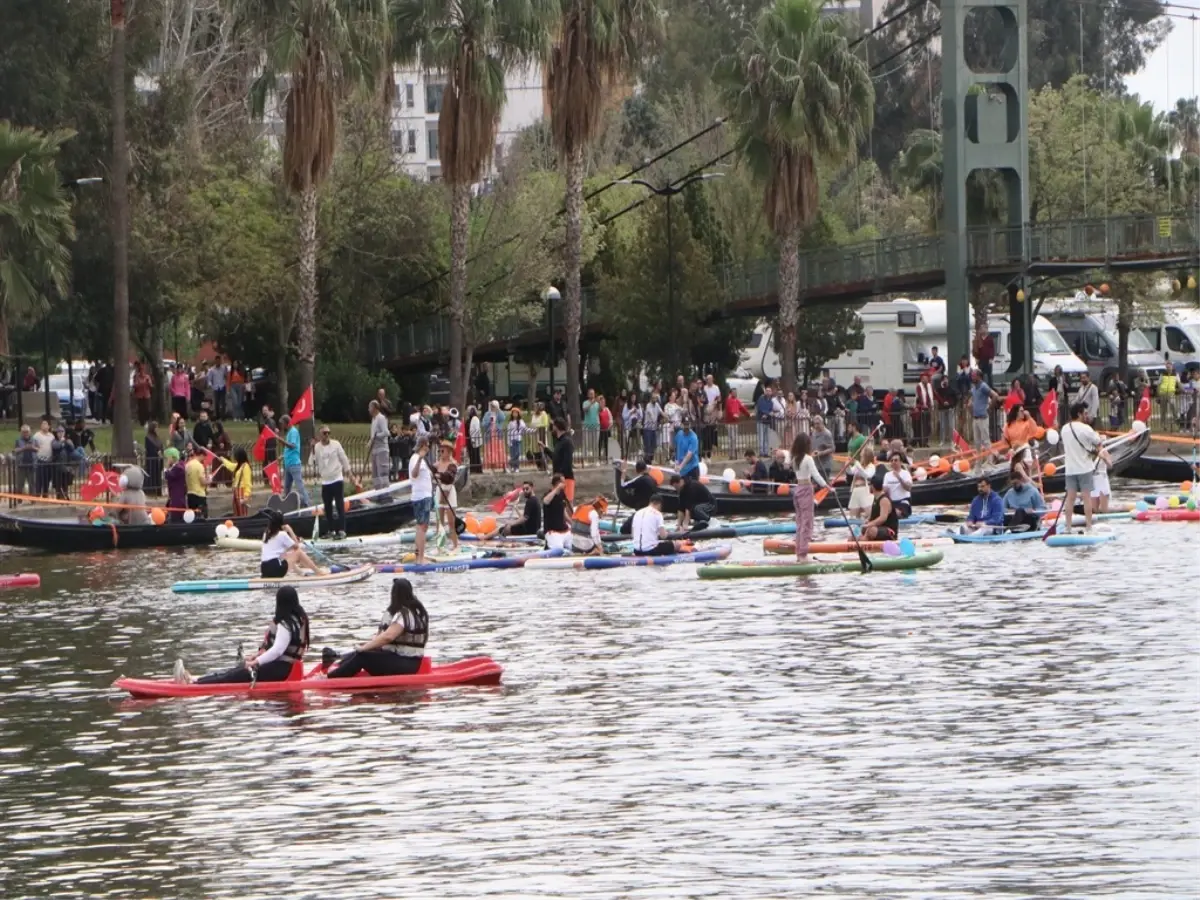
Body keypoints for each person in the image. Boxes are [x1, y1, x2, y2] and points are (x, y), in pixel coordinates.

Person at [173, 586, 310, 685]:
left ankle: (194, 684)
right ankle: (197, 680)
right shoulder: (298, 619)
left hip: (283, 669)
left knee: (241, 673)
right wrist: (256, 657)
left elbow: (277, 650)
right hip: (286, 667)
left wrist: (256, 662)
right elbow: (277, 651)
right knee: (239, 669)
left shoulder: (286, 624)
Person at [327, 578, 428, 678]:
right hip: (408, 662)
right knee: (360, 653)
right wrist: (366, 647)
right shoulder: (416, 612)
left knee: (362, 656)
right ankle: (337, 665)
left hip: (407, 664)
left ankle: (332, 678)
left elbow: (388, 637)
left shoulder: (404, 615)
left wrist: (363, 648)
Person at [1060, 400, 1112, 533]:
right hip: (1085, 468)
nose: (1086, 416)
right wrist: (1098, 450)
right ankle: (1088, 526)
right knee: (1086, 497)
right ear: (1079, 414)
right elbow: (1098, 442)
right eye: (1085, 413)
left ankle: (1068, 527)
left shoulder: (1064, 429)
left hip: (1070, 469)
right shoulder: (1086, 429)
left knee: (1070, 499)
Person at [789, 432, 829, 562]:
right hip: (806, 490)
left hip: (797, 490)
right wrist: (827, 487)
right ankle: (803, 554)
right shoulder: (808, 459)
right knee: (807, 522)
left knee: (800, 522)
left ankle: (798, 552)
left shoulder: (795, 459)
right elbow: (816, 475)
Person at [259, 509, 325, 578]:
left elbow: (281, 550)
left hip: (264, 569)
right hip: (275, 569)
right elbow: (297, 547)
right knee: (298, 552)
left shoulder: (265, 534)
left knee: (285, 555)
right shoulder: (282, 534)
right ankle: (318, 572)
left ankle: (301, 573)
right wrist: (290, 530)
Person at [273, 414, 311, 506]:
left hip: (294, 464)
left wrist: (280, 440)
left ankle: (308, 504)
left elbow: (292, 445)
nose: (281, 426)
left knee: (299, 485)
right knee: (287, 488)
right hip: (288, 464)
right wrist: (283, 456)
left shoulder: (293, 432)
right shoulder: (289, 433)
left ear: (287, 423)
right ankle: (286, 505)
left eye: (282, 424)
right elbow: (289, 449)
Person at [408, 435, 433, 564]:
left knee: (421, 527)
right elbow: (414, 474)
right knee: (422, 527)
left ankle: (419, 556)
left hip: (424, 495)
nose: (428, 448)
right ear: (422, 446)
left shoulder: (421, 459)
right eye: (427, 445)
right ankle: (420, 558)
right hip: (421, 497)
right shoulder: (416, 458)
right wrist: (420, 459)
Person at [618, 459, 659, 533]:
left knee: (623, 530)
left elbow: (623, 485)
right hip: (652, 512)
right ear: (646, 468)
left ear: (637, 471)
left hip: (641, 512)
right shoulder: (654, 480)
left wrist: (623, 471)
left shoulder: (640, 479)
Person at [212, 446, 254, 518]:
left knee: (242, 514)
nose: (235, 458)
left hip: (242, 492)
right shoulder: (239, 465)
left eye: (236, 456)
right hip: (236, 492)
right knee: (236, 513)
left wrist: (246, 496)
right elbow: (231, 466)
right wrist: (223, 460)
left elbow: (248, 483)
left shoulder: (246, 467)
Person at [434, 440, 460, 551]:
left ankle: (455, 546)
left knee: (451, 522)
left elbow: (449, 477)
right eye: (440, 450)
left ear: (449, 451)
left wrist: (438, 475)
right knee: (439, 522)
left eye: (443, 450)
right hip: (439, 490)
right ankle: (440, 546)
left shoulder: (452, 465)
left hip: (449, 491)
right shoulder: (437, 464)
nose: (441, 452)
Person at [542, 418, 575, 502]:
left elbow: (567, 462)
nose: (552, 428)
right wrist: (545, 448)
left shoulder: (567, 441)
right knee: (559, 505)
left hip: (565, 479)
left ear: (557, 427)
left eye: (553, 426)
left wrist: (561, 477)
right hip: (558, 479)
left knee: (567, 504)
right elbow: (555, 458)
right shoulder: (559, 442)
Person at [862, 472, 899, 541]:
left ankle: (863, 543)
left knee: (871, 530)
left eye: (869, 485)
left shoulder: (884, 500)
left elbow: (883, 518)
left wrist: (869, 524)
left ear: (872, 487)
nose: (869, 487)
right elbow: (873, 516)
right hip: (878, 528)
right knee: (862, 530)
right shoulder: (876, 497)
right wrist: (867, 521)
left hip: (889, 531)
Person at [969, 370, 1000, 450]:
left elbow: (995, 396)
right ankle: (978, 461)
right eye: (972, 376)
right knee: (977, 442)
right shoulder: (974, 388)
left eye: (974, 376)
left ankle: (989, 461)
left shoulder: (983, 386)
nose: (972, 377)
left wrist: (990, 409)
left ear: (979, 377)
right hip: (975, 417)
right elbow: (973, 400)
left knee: (985, 440)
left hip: (983, 417)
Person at [542, 474, 573, 552]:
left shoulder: (562, 494)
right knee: (558, 549)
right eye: (563, 482)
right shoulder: (548, 494)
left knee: (574, 545)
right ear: (558, 483)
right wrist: (557, 489)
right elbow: (545, 501)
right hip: (552, 531)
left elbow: (563, 512)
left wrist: (572, 523)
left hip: (564, 529)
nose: (565, 484)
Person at [847, 445, 877, 520]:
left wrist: (857, 464)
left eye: (862, 456)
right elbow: (851, 472)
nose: (861, 458)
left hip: (865, 491)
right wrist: (847, 465)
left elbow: (867, 475)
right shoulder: (859, 465)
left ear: (866, 457)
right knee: (853, 516)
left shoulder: (871, 466)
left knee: (869, 513)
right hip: (856, 490)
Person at [365, 399, 390, 491]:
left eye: (369, 407)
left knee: (382, 472)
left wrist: (376, 436)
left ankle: (385, 491)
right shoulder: (374, 419)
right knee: (375, 473)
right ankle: (378, 491)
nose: (368, 410)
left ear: (374, 408)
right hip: (374, 449)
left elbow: (386, 432)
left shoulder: (381, 418)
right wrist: (370, 442)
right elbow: (373, 435)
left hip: (382, 449)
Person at [882, 453, 913, 520]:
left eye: (896, 460)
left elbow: (908, 488)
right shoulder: (887, 475)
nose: (893, 462)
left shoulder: (905, 473)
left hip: (903, 501)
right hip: (892, 502)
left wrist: (899, 478)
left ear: (900, 462)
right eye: (892, 460)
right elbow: (884, 490)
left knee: (897, 513)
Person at [184, 445, 210, 519]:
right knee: (202, 517)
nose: (204, 459)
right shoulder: (199, 466)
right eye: (204, 457)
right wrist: (209, 481)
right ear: (201, 455)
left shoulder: (188, 465)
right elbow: (202, 482)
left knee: (192, 517)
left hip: (190, 494)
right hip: (199, 495)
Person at [12, 424, 37, 500]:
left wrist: (32, 448)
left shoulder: (34, 440)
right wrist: (24, 448)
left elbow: (38, 449)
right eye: (24, 432)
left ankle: (33, 499)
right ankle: (19, 499)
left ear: (30, 432)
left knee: (32, 484)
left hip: (31, 465)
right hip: (21, 465)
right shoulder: (18, 440)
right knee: (20, 484)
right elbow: (15, 451)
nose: (26, 433)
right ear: (21, 432)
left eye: (27, 432)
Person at [163, 447, 187, 521]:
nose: (166, 460)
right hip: (174, 496)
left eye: (167, 458)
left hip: (177, 497)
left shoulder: (178, 468)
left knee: (176, 518)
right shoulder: (176, 467)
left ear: (172, 458)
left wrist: (166, 467)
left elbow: (169, 476)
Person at [810, 415, 835, 482]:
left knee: (823, 486)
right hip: (816, 465)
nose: (816, 426)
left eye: (818, 424)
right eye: (815, 424)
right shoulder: (814, 432)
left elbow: (832, 448)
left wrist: (821, 453)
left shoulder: (827, 434)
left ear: (822, 423)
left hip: (825, 466)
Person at [642, 391, 662, 462]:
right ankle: (646, 460)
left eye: (655, 398)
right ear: (651, 398)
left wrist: (667, 417)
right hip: (647, 428)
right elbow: (651, 415)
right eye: (653, 398)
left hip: (653, 428)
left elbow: (661, 412)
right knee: (648, 445)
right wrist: (655, 421)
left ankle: (651, 459)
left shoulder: (657, 405)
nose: (655, 400)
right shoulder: (648, 405)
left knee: (654, 445)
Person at [132, 361, 153, 425]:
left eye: (143, 370)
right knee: (141, 409)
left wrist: (149, 383)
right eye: (141, 370)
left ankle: (147, 420)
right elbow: (135, 385)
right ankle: (141, 421)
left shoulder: (147, 377)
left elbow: (151, 385)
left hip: (146, 395)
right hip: (139, 395)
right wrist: (141, 384)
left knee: (147, 409)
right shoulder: (137, 377)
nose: (142, 372)